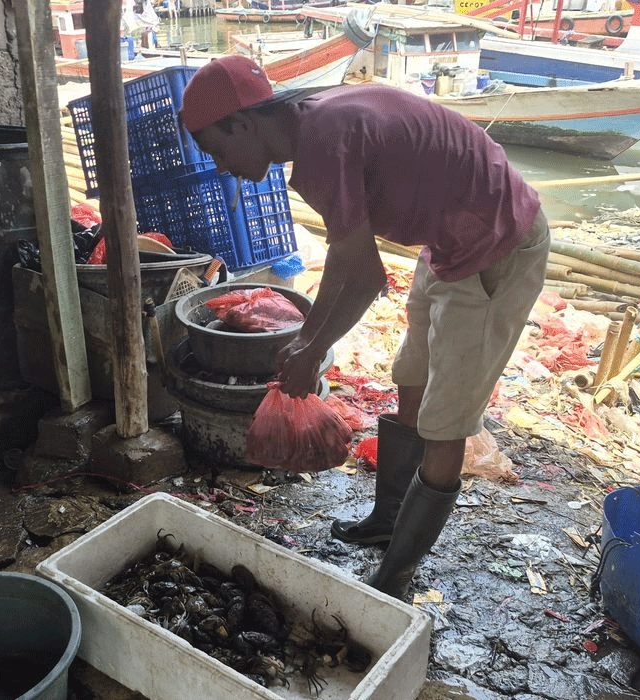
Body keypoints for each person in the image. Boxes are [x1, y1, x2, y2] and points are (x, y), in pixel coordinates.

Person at [180, 55, 548, 599]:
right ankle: (387, 521)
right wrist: (309, 342)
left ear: (244, 123)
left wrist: (311, 348)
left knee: (445, 426)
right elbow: (349, 263)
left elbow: (365, 275)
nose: (222, 166)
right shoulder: (315, 123)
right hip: (446, 244)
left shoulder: (322, 144)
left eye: (217, 149)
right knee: (411, 381)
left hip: (494, 245)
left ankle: (396, 574)